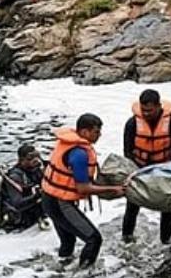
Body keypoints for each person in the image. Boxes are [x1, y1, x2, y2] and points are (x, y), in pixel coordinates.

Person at [41, 114, 125, 268]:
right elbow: (83, 188)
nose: (99, 135)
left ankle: (60, 272)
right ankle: (84, 276)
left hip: (48, 198)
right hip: (59, 203)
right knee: (94, 239)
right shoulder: (79, 154)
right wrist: (114, 189)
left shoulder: (67, 144)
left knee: (68, 241)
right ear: (85, 132)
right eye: (96, 132)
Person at [122, 89, 171, 244]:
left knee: (167, 207)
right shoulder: (132, 123)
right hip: (140, 169)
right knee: (132, 206)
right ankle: (127, 238)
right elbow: (127, 151)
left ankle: (166, 241)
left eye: (149, 110)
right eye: (143, 110)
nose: (146, 113)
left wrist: (168, 169)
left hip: (164, 170)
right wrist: (134, 171)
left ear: (158, 106)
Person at [1, 145, 47, 231]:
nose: (35, 160)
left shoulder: (37, 170)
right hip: (20, 218)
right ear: (21, 160)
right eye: (30, 157)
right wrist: (37, 195)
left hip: (35, 210)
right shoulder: (15, 177)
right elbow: (17, 204)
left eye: (37, 156)